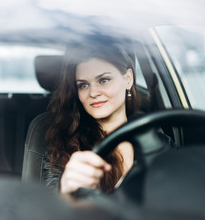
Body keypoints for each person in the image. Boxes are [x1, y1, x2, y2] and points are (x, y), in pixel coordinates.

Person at [43, 34, 141, 195]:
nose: (93, 92)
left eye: (104, 80)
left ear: (128, 79)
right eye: (83, 85)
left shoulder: (156, 142)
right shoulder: (64, 149)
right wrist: (66, 192)